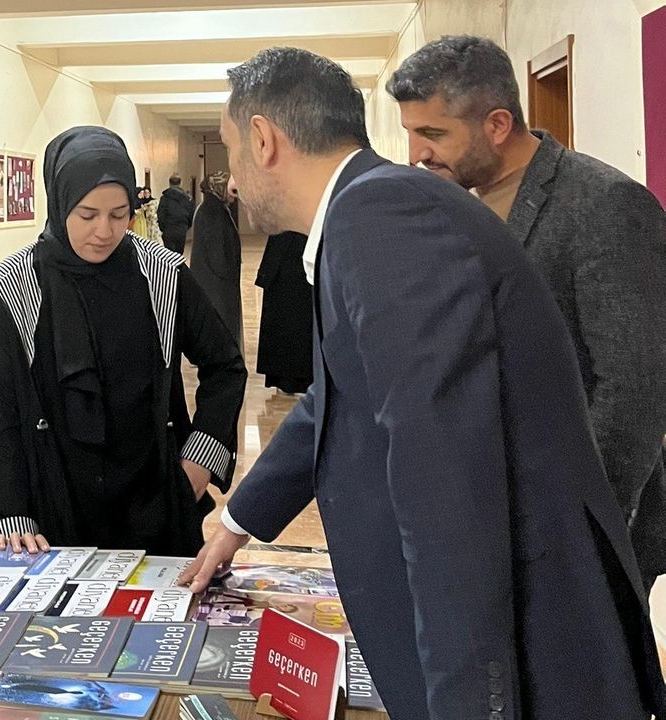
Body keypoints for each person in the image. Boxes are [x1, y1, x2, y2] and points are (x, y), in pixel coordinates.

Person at [180, 47, 666, 719]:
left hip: (524, 633)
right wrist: (237, 519)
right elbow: (338, 394)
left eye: (232, 149)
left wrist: (470, 704)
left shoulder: (382, 216)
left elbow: (445, 480)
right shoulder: (372, 209)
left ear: (263, 140)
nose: (231, 179)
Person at [387, 35, 666, 590]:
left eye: (434, 133)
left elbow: (637, 384)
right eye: (412, 133)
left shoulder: (604, 204)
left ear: (496, 124)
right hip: (490, 511)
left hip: (574, 527)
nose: (417, 152)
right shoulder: (448, 198)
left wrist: (581, 522)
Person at [0, 126, 245, 557]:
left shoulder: (161, 272)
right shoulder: (18, 283)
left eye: (120, 215)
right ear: (60, 203)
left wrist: (201, 458)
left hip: (154, 493)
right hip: (56, 499)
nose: (104, 231)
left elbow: (224, 365)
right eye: (87, 215)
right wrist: (6, 509)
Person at [188, 171, 243, 348]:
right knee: (222, 334)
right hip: (217, 287)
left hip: (215, 285)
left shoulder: (213, 208)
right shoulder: (213, 212)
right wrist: (230, 275)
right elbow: (218, 256)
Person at [254, 231, 312, 395]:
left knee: (291, 325)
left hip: (291, 270)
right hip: (291, 271)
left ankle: (290, 380)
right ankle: (289, 380)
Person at [156, 174, 193, 254]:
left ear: (169, 183)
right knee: (179, 254)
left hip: (168, 229)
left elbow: (160, 214)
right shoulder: (187, 198)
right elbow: (191, 213)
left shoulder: (165, 198)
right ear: (180, 183)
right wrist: (186, 226)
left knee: (169, 255)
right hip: (181, 228)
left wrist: (162, 228)